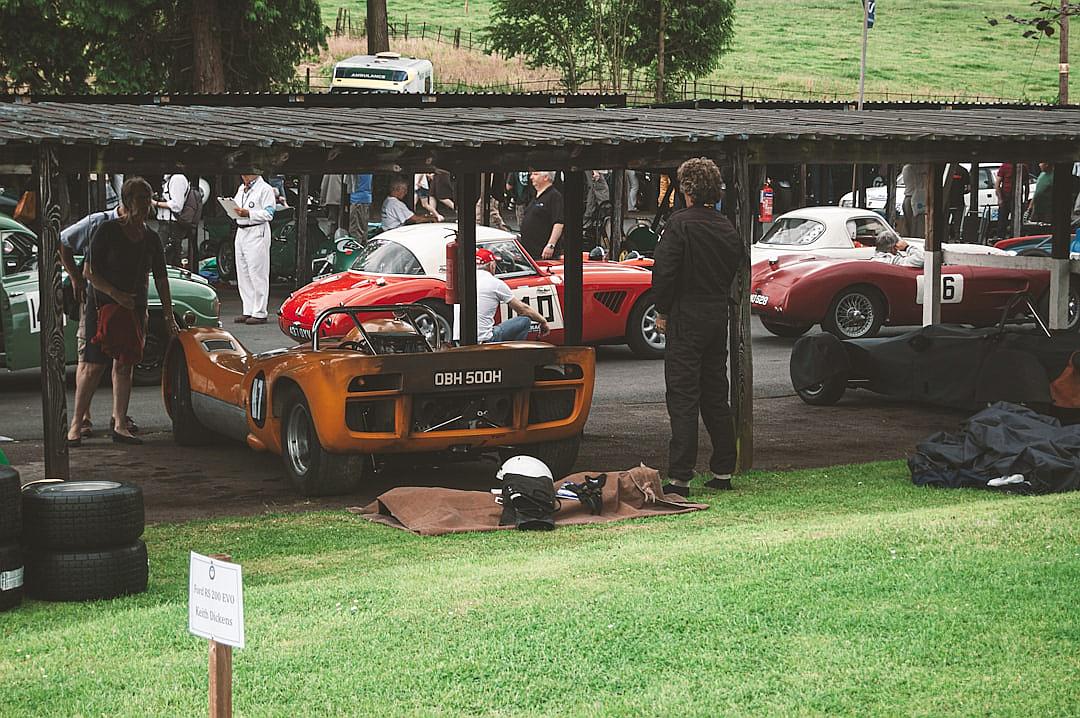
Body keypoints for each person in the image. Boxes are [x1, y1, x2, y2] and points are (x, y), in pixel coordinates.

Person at [651, 158, 743, 498]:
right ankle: (722, 468)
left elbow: (664, 271)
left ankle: (680, 477)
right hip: (716, 314)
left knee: (683, 396)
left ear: (687, 190)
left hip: (686, 315)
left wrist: (662, 309)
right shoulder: (726, 226)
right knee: (716, 394)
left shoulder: (679, 225)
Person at [68, 177, 177, 447]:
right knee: (93, 366)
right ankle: (75, 425)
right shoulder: (107, 230)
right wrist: (117, 295)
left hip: (134, 309)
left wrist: (168, 314)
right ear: (127, 201)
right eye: (140, 197)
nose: (146, 203)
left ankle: (119, 424)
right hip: (103, 306)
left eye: (148, 197)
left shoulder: (150, 238)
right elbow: (88, 271)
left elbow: (161, 278)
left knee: (125, 365)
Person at [58, 204, 138, 439]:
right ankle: (82, 418)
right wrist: (74, 277)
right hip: (95, 300)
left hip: (121, 303)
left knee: (122, 360)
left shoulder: (137, 229)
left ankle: (118, 418)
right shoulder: (97, 222)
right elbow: (63, 242)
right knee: (89, 360)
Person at [475, 248, 549, 342]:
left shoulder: (463, 281)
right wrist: (543, 321)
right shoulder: (495, 283)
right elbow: (524, 310)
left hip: (460, 339)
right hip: (485, 340)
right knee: (525, 320)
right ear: (492, 265)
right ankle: (515, 355)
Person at [232, 173, 276, 325]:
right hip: (241, 230)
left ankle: (260, 311)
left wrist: (249, 213)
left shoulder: (265, 189)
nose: (243, 176)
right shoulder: (241, 189)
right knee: (243, 272)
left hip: (257, 230)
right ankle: (248, 308)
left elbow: (269, 213)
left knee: (257, 272)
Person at [519, 171, 564, 260]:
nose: (531, 177)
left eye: (535, 174)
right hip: (530, 252)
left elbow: (559, 222)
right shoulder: (535, 197)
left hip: (543, 254)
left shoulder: (554, 196)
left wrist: (551, 245)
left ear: (546, 177)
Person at [153, 173, 191, 266]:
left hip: (171, 225)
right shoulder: (168, 178)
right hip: (166, 224)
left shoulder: (177, 178)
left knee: (167, 259)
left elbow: (177, 205)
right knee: (163, 257)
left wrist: (156, 203)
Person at [901, 163, 928, 238]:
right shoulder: (915, 167)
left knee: (908, 225)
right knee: (917, 226)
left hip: (908, 197)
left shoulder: (906, 168)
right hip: (916, 199)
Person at [348, 174, 373, 242]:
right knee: (363, 228)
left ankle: (357, 247)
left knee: (356, 230)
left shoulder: (358, 166)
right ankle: (362, 245)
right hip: (364, 197)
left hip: (358, 199)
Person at [995, 161, 1016, 239]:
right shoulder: (1005, 166)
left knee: (1016, 220)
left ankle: (1013, 237)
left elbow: (1026, 184)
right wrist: (1000, 199)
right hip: (1005, 197)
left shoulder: (1022, 166)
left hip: (1016, 198)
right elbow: (997, 184)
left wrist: (1026, 200)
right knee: (1002, 220)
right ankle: (1000, 237)